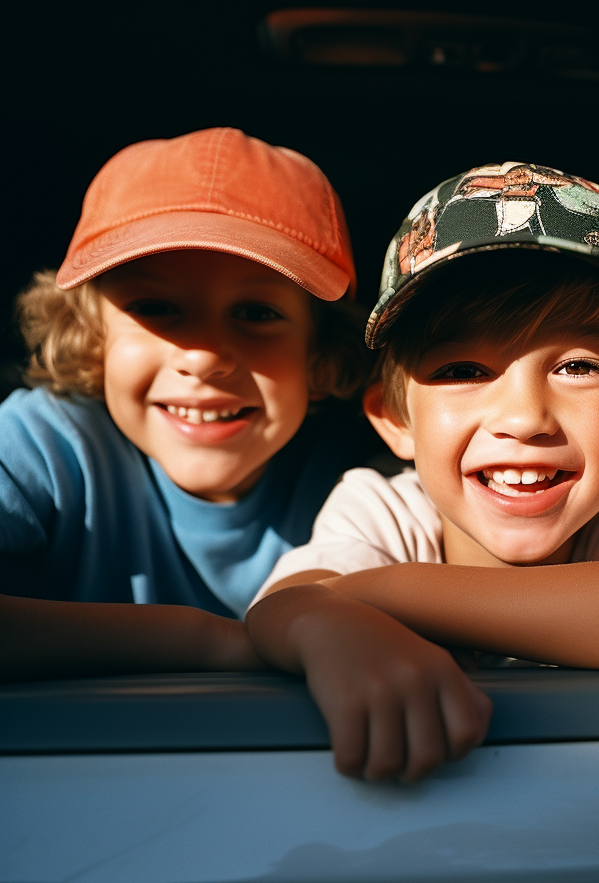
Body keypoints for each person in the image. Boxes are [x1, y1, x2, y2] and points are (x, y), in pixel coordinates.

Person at [247, 161, 599, 783]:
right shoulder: (385, 506)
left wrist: (380, 596)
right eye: (463, 370)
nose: (524, 418)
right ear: (394, 421)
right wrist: (329, 626)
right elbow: (283, 609)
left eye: (577, 367)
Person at [0, 127, 371, 680]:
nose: (203, 357)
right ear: (91, 337)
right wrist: (211, 640)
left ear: (321, 355)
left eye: (257, 313)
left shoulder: (364, 481)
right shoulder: (44, 446)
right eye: (156, 307)